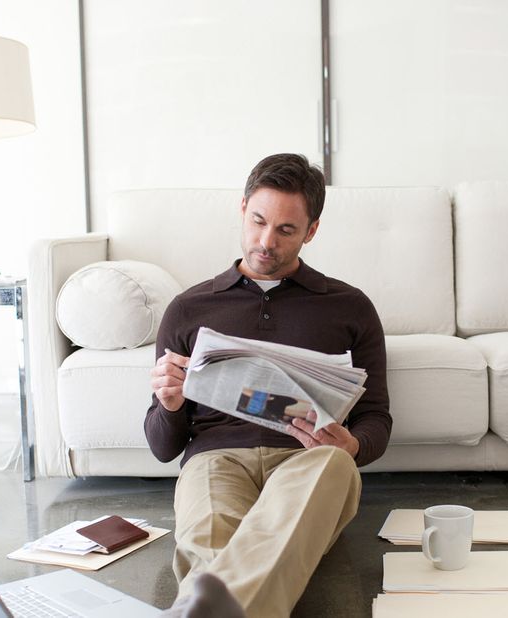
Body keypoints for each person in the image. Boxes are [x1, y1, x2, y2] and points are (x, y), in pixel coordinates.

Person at [146, 153, 391, 618]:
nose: (265, 241)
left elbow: (377, 415)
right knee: (210, 539)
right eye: (258, 221)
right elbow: (162, 447)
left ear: (311, 231)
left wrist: (354, 445)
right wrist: (170, 403)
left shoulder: (350, 307)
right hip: (217, 459)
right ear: (242, 209)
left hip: (307, 459)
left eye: (285, 230)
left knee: (334, 467)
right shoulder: (189, 308)